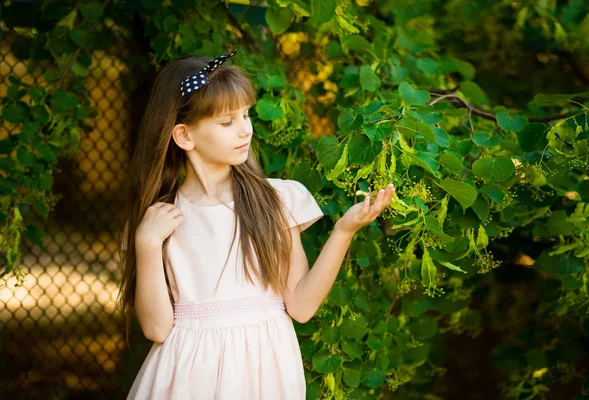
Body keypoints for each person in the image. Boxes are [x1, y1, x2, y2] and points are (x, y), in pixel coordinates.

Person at [117, 50, 395, 400]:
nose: (245, 130)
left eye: (246, 115)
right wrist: (146, 243)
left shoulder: (276, 201)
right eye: (226, 122)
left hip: (265, 373)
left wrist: (344, 231)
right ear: (185, 136)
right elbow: (157, 328)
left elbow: (302, 307)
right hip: (188, 377)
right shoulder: (159, 220)